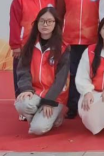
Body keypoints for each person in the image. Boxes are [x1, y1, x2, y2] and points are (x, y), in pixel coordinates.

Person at [57, 0, 104, 120]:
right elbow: (59, 15)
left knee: (93, 72)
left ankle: (92, 104)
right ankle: (73, 105)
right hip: (71, 40)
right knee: (73, 73)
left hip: (93, 39)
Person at [14, 7, 70, 136]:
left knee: (37, 129)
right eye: (42, 21)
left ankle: (55, 116)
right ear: (37, 23)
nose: (45, 24)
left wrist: (49, 101)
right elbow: (23, 70)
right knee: (21, 104)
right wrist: (26, 89)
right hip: (36, 91)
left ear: (55, 24)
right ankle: (37, 114)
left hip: (55, 96)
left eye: (50, 21)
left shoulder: (63, 48)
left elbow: (61, 80)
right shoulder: (30, 45)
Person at [10, 0, 55, 104]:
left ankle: (40, 101)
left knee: (41, 73)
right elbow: (14, 22)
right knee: (22, 73)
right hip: (25, 43)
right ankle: (21, 102)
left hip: (45, 43)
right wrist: (15, 45)